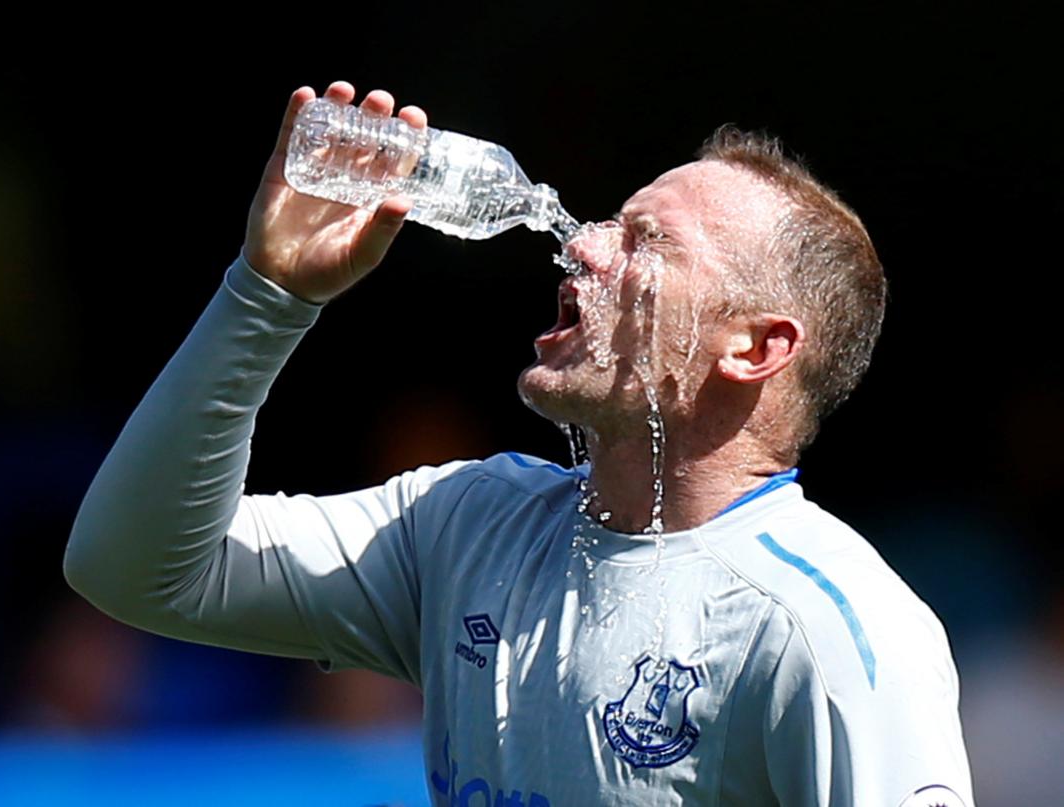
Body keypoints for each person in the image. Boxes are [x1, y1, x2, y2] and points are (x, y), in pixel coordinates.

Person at [64, 81, 976, 806]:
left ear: (756, 347)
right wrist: (265, 298)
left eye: (646, 241)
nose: (584, 249)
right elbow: (133, 570)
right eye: (607, 223)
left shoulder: (830, 631)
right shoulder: (468, 525)